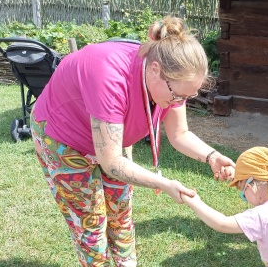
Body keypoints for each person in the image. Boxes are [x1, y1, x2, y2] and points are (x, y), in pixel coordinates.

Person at [30, 16, 236, 266]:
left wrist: (211, 156)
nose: (179, 102)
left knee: (121, 215)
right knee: (90, 225)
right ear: (155, 69)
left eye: (187, 97)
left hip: (110, 144)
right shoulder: (109, 76)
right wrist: (165, 183)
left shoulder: (172, 84)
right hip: (63, 138)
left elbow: (179, 134)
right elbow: (112, 162)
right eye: (177, 96)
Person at [180, 147, 268, 267]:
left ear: (250, 187)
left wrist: (193, 201)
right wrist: (240, 174)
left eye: (242, 190)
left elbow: (222, 224)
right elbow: (259, 174)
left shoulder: (264, 215)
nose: (243, 196)